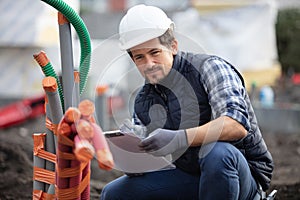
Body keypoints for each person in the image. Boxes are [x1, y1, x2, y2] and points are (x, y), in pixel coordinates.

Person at [100, 4, 273, 200]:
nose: (149, 64)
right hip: (191, 176)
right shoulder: (143, 100)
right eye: (140, 57)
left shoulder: (210, 68)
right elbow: (149, 162)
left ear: (173, 46)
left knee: (217, 153)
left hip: (241, 178)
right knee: (114, 193)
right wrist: (132, 158)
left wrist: (179, 138)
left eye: (155, 53)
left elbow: (236, 125)